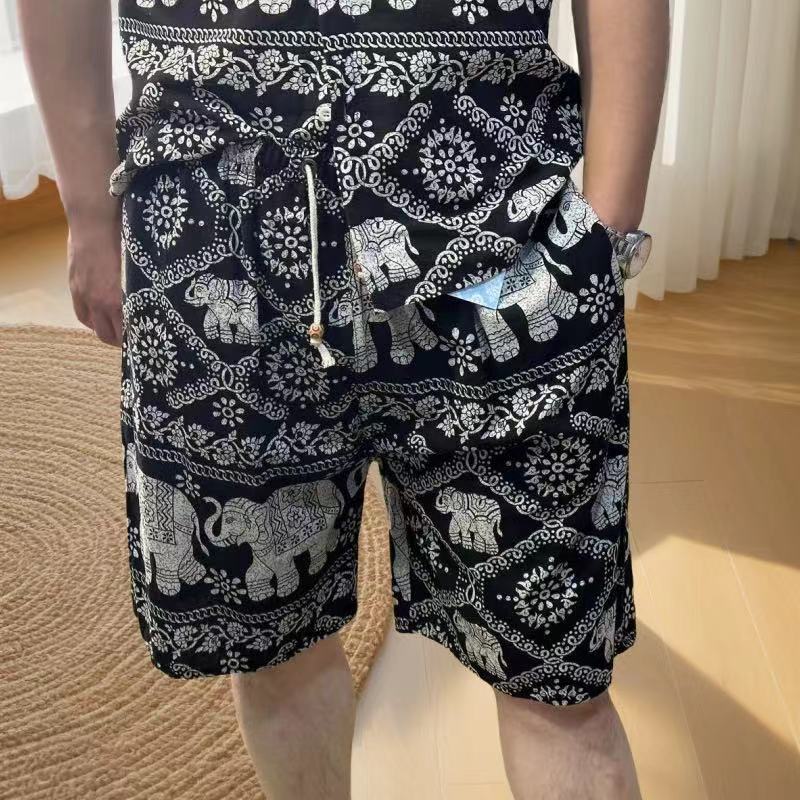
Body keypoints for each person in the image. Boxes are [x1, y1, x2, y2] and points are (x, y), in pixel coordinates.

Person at [18, 1, 669, 798]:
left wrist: (610, 227)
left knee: (556, 673)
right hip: (217, 238)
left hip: (504, 224)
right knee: (273, 643)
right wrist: (88, 210)